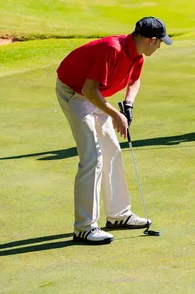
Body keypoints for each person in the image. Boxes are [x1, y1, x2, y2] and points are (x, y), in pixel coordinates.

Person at [55, 17, 172, 245]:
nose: (159, 47)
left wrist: (127, 105)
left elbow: (134, 81)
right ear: (151, 40)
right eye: (159, 43)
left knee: (112, 151)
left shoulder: (137, 54)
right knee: (92, 158)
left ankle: (118, 215)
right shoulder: (113, 49)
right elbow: (89, 90)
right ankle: (84, 228)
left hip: (95, 95)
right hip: (74, 93)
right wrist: (115, 114)